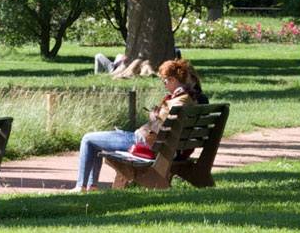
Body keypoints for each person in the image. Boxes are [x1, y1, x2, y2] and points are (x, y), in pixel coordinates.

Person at [72, 57, 202, 191]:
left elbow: (161, 127)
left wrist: (153, 117)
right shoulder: (189, 98)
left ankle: (81, 185)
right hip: (156, 144)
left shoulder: (179, 101)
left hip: (143, 143)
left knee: (88, 139)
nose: (164, 84)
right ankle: (91, 186)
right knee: (100, 139)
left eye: (165, 81)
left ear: (173, 80)